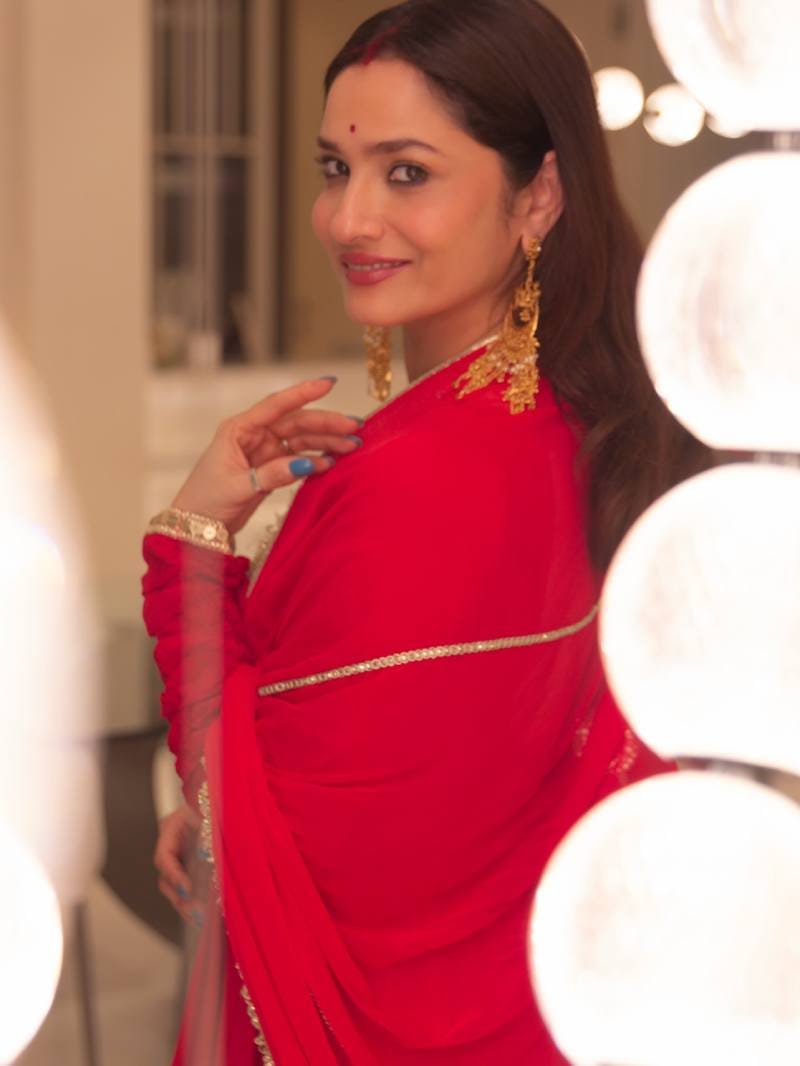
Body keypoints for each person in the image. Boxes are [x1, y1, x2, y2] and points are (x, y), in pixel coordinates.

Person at [144, 1, 706, 1062]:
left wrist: (191, 548)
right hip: (543, 1001)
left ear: (537, 195)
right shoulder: (581, 420)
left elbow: (282, 845)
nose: (348, 219)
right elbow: (447, 769)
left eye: (407, 172)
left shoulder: (422, 476)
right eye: (335, 168)